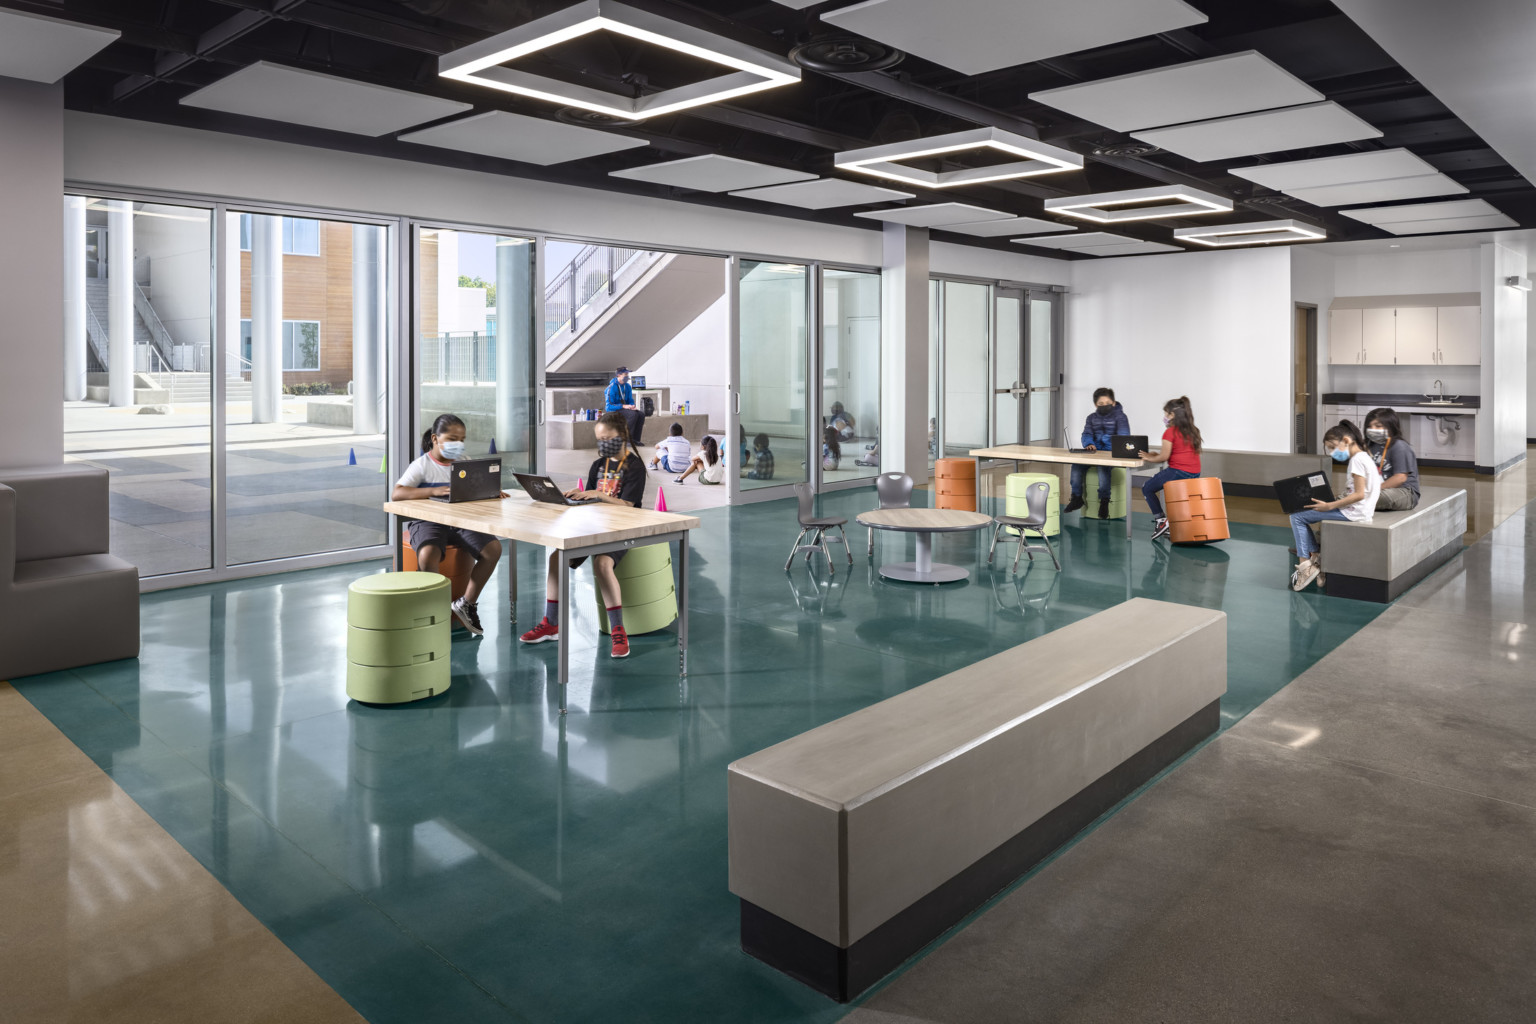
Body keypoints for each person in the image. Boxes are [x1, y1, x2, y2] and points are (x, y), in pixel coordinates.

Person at [519, 411, 647, 658]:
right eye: (599, 439)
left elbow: (629, 505)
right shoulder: (598, 465)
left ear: (622, 435)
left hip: (621, 528)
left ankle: (618, 630)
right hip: (593, 526)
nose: (603, 444)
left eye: (607, 438)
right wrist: (579, 494)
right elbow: (591, 494)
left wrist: (599, 495)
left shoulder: (635, 467)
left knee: (602, 564)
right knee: (556, 557)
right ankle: (551, 623)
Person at [391, 413, 503, 637]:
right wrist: (432, 491)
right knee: (428, 553)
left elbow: (474, 490)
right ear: (435, 438)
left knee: (493, 550)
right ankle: (433, 612)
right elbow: (397, 493)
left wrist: (491, 492)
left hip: (461, 522)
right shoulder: (421, 465)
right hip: (428, 522)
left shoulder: (465, 463)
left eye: (461, 439)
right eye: (452, 439)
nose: (458, 444)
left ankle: (467, 604)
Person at [1290, 420, 1382, 592]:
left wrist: (1330, 506)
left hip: (1354, 514)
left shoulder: (1357, 461)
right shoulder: (1364, 457)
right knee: (1308, 511)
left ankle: (1305, 566)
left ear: (1346, 441)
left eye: (1333, 447)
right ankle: (1316, 559)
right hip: (1359, 511)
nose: (1332, 453)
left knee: (1297, 517)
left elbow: (1359, 494)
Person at [1138, 396, 1202, 541]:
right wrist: (1154, 454)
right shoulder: (1193, 430)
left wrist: (1149, 458)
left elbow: (1164, 457)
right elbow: (1177, 452)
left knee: (1147, 488)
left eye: (1166, 414)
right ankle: (1174, 527)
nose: (1164, 417)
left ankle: (1161, 522)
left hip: (1178, 471)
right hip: (1194, 473)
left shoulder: (1170, 432)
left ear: (1172, 415)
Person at [1064, 387, 1131, 518]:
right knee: (1076, 466)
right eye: (1101, 404)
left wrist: (1106, 440)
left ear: (1113, 402)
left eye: (1107, 403)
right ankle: (1076, 497)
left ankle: (1104, 501)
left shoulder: (1121, 417)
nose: (1104, 406)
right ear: (1096, 404)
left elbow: (1124, 437)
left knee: (1103, 469)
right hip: (1094, 452)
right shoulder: (1091, 418)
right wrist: (1089, 444)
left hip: (1111, 453)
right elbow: (1086, 434)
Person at [1363, 407, 1420, 511]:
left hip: (1404, 492)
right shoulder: (1369, 445)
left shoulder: (1399, 446)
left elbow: (1400, 478)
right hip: (1377, 489)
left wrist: (1374, 490)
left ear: (1390, 427)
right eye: (1369, 426)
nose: (1373, 429)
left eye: (1378, 426)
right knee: (1353, 494)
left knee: (1380, 498)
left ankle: (1352, 503)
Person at [604, 366, 646, 453]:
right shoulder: (612, 387)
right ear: (619, 375)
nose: (627, 376)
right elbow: (609, 406)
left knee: (640, 414)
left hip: (624, 408)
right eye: (625, 374)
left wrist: (632, 406)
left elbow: (630, 400)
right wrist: (623, 406)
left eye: (628, 374)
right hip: (614, 410)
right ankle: (625, 440)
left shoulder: (627, 386)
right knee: (632, 414)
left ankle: (635, 439)